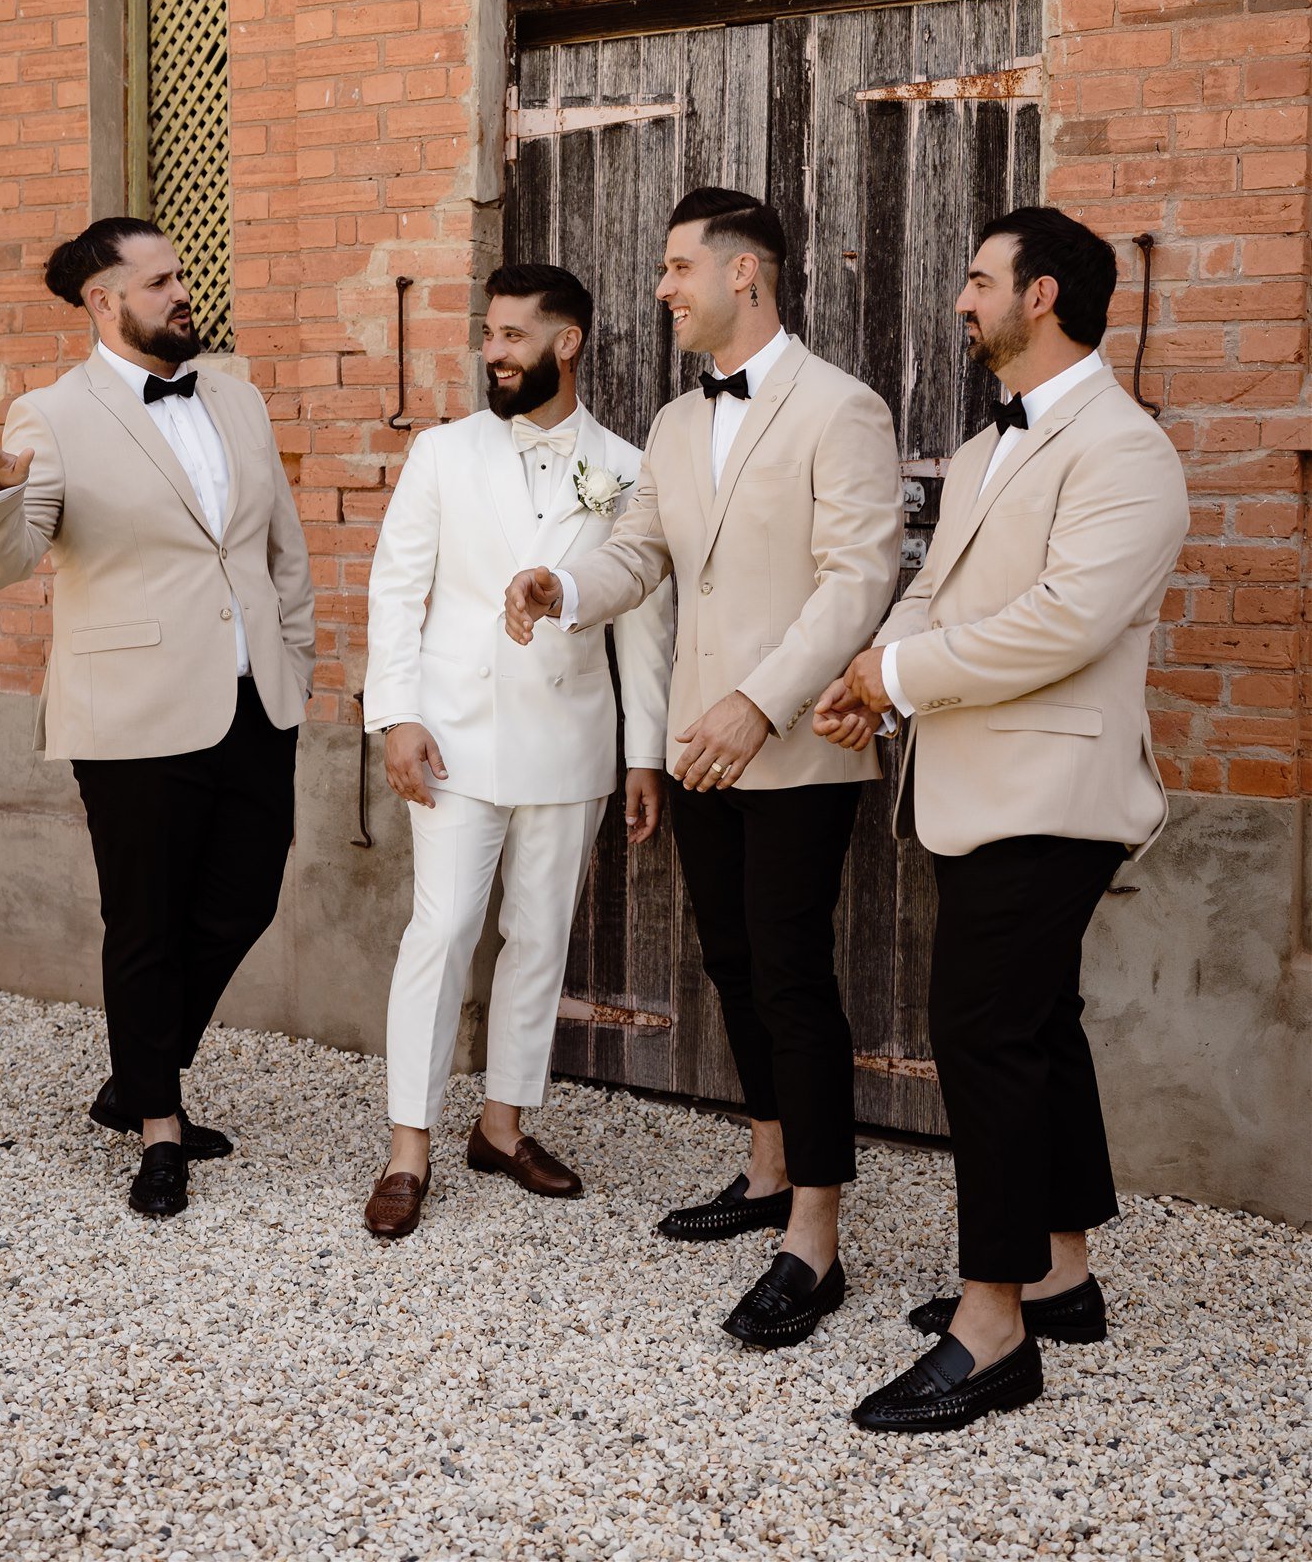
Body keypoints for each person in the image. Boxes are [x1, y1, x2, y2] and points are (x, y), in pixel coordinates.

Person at [505, 189, 903, 1348]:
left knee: (792, 975)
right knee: (731, 961)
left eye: (680, 266)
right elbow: (638, 550)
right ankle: (769, 1166)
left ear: (746, 273)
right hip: (698, 747)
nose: (663, 286)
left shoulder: (843, 407)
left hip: (796, 745)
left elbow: (857, 578)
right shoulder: (678, 423)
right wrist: (563, 586)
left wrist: (759, 701)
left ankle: (816, 1239)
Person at [813, 205, 1189, 1432]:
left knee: (982, 1035)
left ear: (1042, 295)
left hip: (1054, 794)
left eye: (980, 279)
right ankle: (1060, 1272)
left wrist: (899, 675)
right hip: (974, 783)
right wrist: (872, 675)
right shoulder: (987, 446)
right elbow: (936, 590)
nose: (962, 298)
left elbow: (1065, 621)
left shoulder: (1126, 449)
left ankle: (993, 1328)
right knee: (1036, 1022)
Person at [0, 218, 314, 1220]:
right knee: (146, 919)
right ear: (104, 300)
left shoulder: (236, 398)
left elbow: (280, 549)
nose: (180, 291)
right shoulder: (51, 414)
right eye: (157, 281)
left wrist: (295, 661)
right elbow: (5, 563)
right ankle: (158, 1123)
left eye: (180, 274)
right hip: (131, 714)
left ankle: (134, 1073)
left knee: (245, 901)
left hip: (255, 702)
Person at [361, 263, 671, 1241]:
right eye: (487, 334)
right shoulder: (442, 453)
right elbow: (395, 588)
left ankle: (502, 1125)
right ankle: (408, 1146)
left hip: (569, 738)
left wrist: (643, 754)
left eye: (511, 335)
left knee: (540, 937)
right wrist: (394, 715)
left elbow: (644, 625)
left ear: (565, 343)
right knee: (444, 928)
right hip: (451, 733)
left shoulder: (626, 467)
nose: (491, 351)